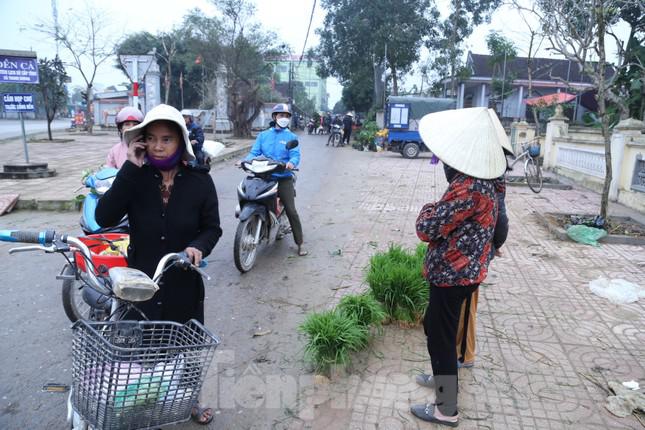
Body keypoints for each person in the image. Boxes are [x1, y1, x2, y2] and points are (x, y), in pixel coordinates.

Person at [95, 103, 222, 425]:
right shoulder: (135, 178)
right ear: (141, 142)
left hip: (183, 279)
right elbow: (103, 217)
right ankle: (149, 397)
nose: (157, 145)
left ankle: (190, 399)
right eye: (150, 138)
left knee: (186, 345)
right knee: (148, 348)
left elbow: (212, 227)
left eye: (166, 139)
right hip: (143, 282)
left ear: (180, 142)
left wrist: (197, 247)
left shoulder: (199, 181)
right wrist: (129, 168)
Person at [410, 107, 507, 427]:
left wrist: (429, 208)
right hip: (469, 270)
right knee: (439, 330)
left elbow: (427, 227)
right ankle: (443, 376)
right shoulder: (491, 180)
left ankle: (445, 409)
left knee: (439, 335)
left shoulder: (469, 187)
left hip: (454, 274)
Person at [242, 103, 307, 256]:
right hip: (264, 176)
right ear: (274, 117)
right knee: (250, 196)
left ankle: (300, 243)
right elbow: (254, 152)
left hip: (283, 177)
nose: (284, 118)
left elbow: (295, 155)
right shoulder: (263, 135)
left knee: (291, 210)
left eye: (286, 116)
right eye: (281, 115)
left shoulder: (291, 137)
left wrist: (291, 163)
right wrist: (245, 161)